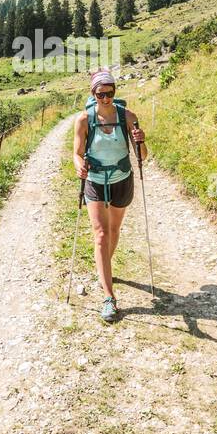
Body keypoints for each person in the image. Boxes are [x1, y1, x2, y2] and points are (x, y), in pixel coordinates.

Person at [73, 68, 146, 322]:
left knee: (114, 231)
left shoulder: (128, 116)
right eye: (101, 94)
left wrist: (141, 140)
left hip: (121, 179)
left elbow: (142, 156)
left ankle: (104, 266)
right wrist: (78, 166)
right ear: (93, 94)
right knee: (101, 234)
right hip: (94, 181)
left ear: (115, 92)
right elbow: (77, 153)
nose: (106, 98)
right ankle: (109, 297)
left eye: (110, 93)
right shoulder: (84, 120)